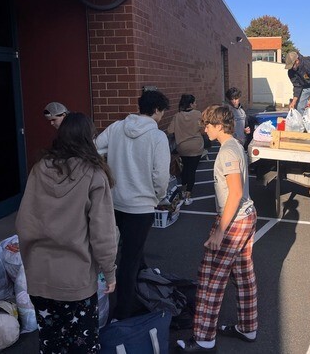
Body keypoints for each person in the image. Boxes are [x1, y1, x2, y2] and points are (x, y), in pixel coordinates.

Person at [16, 112, 117, 354]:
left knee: (51, 343)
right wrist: (109, 271)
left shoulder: (39, 169)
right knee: (83, 346)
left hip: (40, 277)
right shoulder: (94, 174)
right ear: (88, 139)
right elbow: (102, 232)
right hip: (76, 280)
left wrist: (30, 260)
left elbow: (24, 223)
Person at [177, 105, 258, 353]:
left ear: (219, 126)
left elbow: (234, 192)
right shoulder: (233, 146)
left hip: (233, 220)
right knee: (243, 275)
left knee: (211, 277)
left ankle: (203, 337)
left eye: (207, 125)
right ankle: (247, 328)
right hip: (245, 216)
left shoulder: (228, 151)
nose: (205, 129)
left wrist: (220, 230)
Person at [95, 89, 170, 320]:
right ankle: (123, 312)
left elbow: (95, 148)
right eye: (162, 112)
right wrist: (158, 197)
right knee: (129, 258)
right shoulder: (157, 137)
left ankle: (141, 287)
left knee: (126, 252)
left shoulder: (117, 127)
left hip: (115, 202)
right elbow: (161, 176)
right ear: (157, 110)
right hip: (141, 207)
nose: (162, 116)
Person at [167, 94, 204, 205]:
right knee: (192, 170)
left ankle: (183, 190)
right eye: (195, 102)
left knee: (185, 168)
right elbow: (202, 129)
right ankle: (188, 195)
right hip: (196, 146)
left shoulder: (177, 116)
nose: (196, 104)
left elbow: (169, 130)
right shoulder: (198, 114)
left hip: (182, 147)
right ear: (191, 104)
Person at [284, 51, 310, 127]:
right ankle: (302, 127)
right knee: (299, 106)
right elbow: (297, 86)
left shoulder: (308, 65)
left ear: (297, 61)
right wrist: (293, 102)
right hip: (305, 84)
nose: (291, 68)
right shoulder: (291, 72)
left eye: (292, 66)